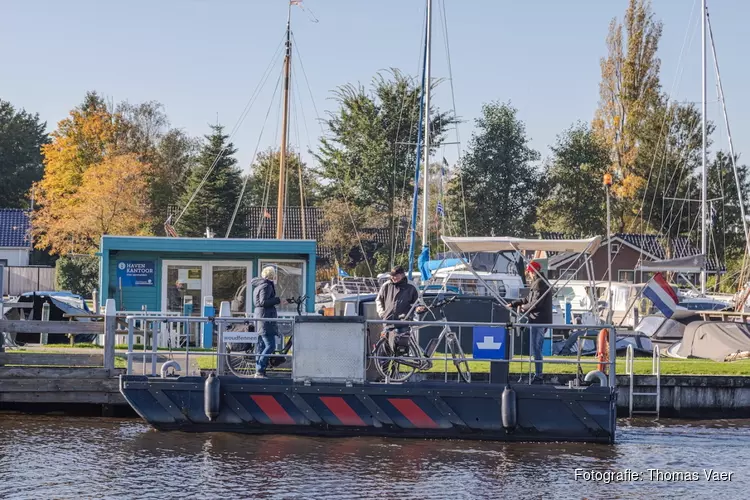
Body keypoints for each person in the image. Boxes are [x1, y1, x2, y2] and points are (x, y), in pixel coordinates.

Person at [507, 260, 552, 384]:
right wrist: (514, 303)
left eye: (529, 272)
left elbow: (536, 303)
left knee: (536, 348)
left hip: (539, 320)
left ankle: (538, 375)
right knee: (536, 348)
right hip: (539, 320)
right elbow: (528, 299)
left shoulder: (539, 283)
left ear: (532, 272)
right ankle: (538, 374)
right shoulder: (539, 282)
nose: (528, 274)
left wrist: (523, 308)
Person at [251, 266, 281, 378]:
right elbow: (263, 302)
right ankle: (260, 369)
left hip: (260, 317)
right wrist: (277, 300)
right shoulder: (267, 285)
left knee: (261, 345)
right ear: (271, 275)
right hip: (265, 318)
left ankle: (259, 370)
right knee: (270, 345)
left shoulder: (259, 285)